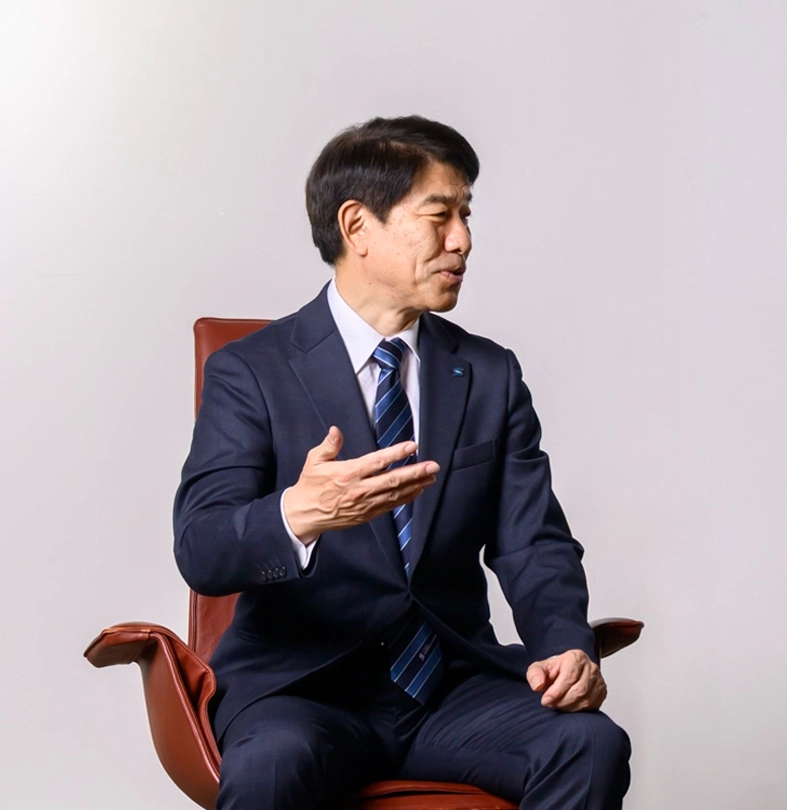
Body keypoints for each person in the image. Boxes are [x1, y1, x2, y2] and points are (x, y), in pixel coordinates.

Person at [174, 115, 629, 810]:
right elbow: (202, 549)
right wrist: (299, 515)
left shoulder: (487, 373)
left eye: (466, 216)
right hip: (303, 691)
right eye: (439, 216)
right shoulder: (252, 372)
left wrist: (567, 644)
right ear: (357, 227)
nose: (463, 241)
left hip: (450, 687)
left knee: (588, 744)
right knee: (271, 767)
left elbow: (533, 542)